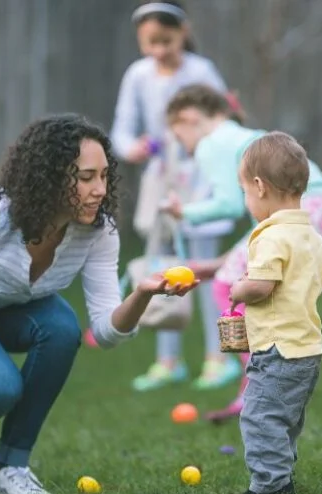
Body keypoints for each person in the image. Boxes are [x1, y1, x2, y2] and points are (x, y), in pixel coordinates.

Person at [0, 114, 197, 494]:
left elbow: (106, 332)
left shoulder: (97, 233)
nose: (99, 189)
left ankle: (9, 468)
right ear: (49, 176)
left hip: (0, 308)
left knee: (62, 328)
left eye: (104, 176)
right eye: (85, 177)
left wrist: (143, 294)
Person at [163, 85, 322, 421]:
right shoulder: (249, 136)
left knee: (224, 286)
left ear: (189, 119)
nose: (184, 145)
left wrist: (184, 212)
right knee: (274, 287)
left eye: (179, 135)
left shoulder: (212, 143)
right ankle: (280, 375)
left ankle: (258, 382)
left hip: (295, 213)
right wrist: (215, 266)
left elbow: (230, 205)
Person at [109, 0, 240, 390]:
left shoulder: (201, 72)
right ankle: (168, 360)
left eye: (166, 41)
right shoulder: (138, 75)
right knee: (163, 268)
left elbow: (223, 120)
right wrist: (132, 148)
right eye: (150, 43)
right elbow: (121, 131)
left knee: (204, 266)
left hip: (200, 180)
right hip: (161, 182)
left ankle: (221, 358)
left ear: (183, 32)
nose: (159, 51)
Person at [225, 132, 322, 494]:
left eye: (244, 192)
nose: (246, 201)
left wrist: (240, 289)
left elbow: (263, 286)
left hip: (277, 348)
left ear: (259, 186)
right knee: (284, 419)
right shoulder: (311, 236)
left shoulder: (271, 236)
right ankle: (280, 475)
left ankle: (270, 487)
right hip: (307, 347)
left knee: (260, 417)